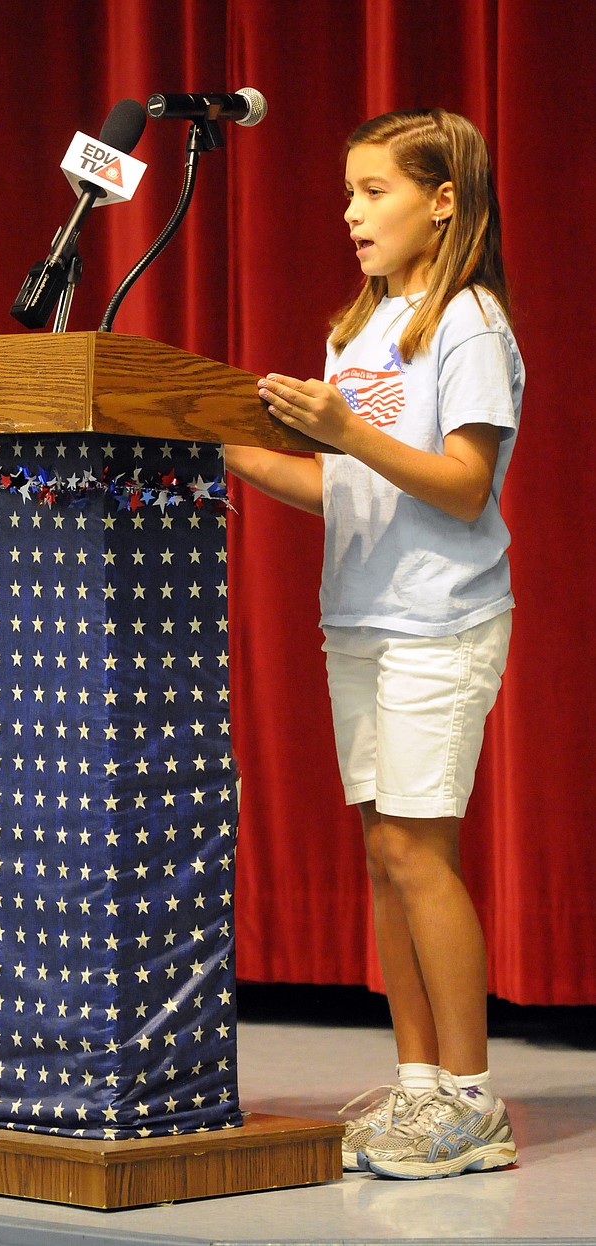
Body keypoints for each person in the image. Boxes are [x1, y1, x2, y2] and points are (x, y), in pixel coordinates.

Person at [225, 108, 523, 1180]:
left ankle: (473, 1099)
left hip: (440, 618)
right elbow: (342, 489)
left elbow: (460, 483)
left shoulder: (466, 323)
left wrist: (347, 430)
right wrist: (227, 445)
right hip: (355, 616)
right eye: (346, 195)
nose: (351, 214)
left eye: (374, 191)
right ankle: (417, 1087)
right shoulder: (355, 330)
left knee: (417, 850)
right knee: (381, 857)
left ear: (442, 200)